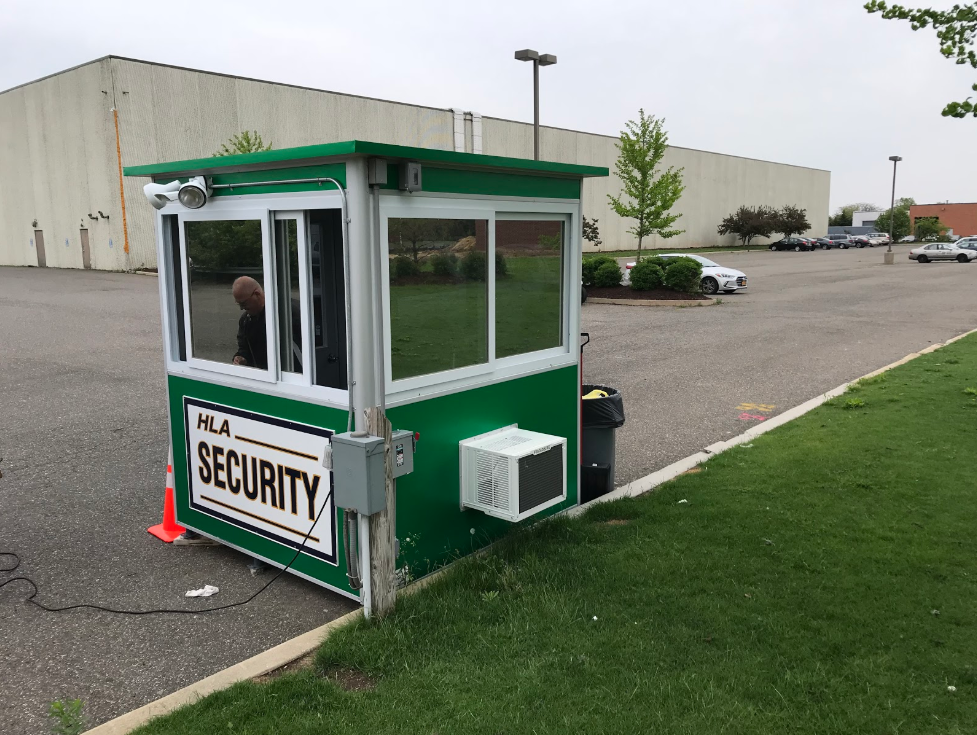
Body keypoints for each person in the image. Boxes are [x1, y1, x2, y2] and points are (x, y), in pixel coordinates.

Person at [231, 276, 268, 369]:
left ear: (257, 294)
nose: (241, 308)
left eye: (243, 303)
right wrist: (242, 358)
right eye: (239, 304)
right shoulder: (245, 320)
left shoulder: (286, 316)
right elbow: (244, 348)